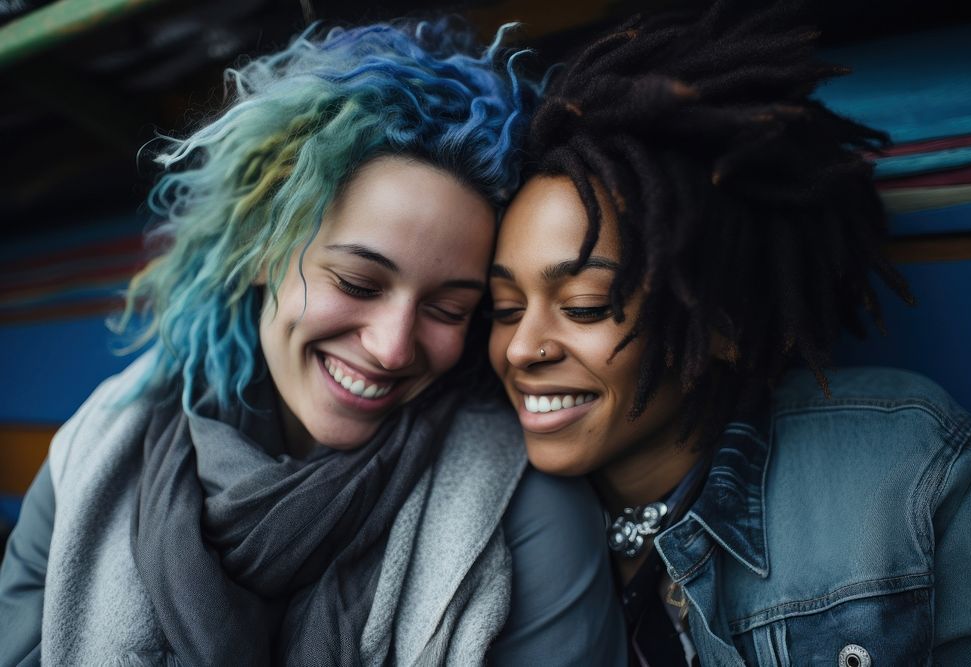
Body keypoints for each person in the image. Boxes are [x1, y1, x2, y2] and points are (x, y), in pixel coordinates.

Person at [0, 20, 626, 666]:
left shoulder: (526, 510)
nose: (390, 348)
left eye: (449, 307)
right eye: (357, 281)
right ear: (261, 248)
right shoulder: (94, 455)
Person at [487, 4, 971, 665]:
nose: (524, 346)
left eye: (584, 305)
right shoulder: (479, 512)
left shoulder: (905, 477)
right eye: (503, 307)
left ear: (721, 320)